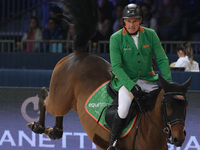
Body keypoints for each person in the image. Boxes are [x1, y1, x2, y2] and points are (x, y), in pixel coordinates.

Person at [108, 3, 172, 149]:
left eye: (135, 20)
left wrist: (167, 82)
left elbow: (162, 59)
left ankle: (169, 136)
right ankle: (113, 142)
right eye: (129, 21)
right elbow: (116, 67)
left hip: (148, 80)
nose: (132, 24)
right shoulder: (115, 38)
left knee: (164, 106)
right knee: (123, 109)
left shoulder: (151, 34)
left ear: (140, 20)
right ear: (124, 21)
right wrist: (131, 86)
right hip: (126, 82)